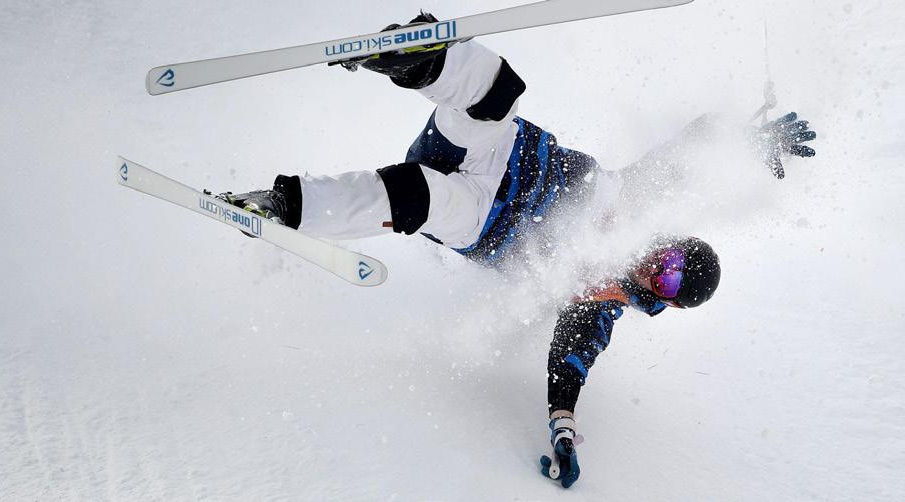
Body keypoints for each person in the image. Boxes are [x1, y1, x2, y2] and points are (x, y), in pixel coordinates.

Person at [219, 12, 817, 489]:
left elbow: (571, 358)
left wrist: (563, 425)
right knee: (499, 91)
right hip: (495, 153)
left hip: (475, 219)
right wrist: (750, 137)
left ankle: (282, 207)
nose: (659, 267)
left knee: (416, 199)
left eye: (667, 281)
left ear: (667, 302)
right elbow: (692, 146)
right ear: (670, 238)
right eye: (673, 257)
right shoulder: (638, 199)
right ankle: (413, 56)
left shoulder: (598, 302)